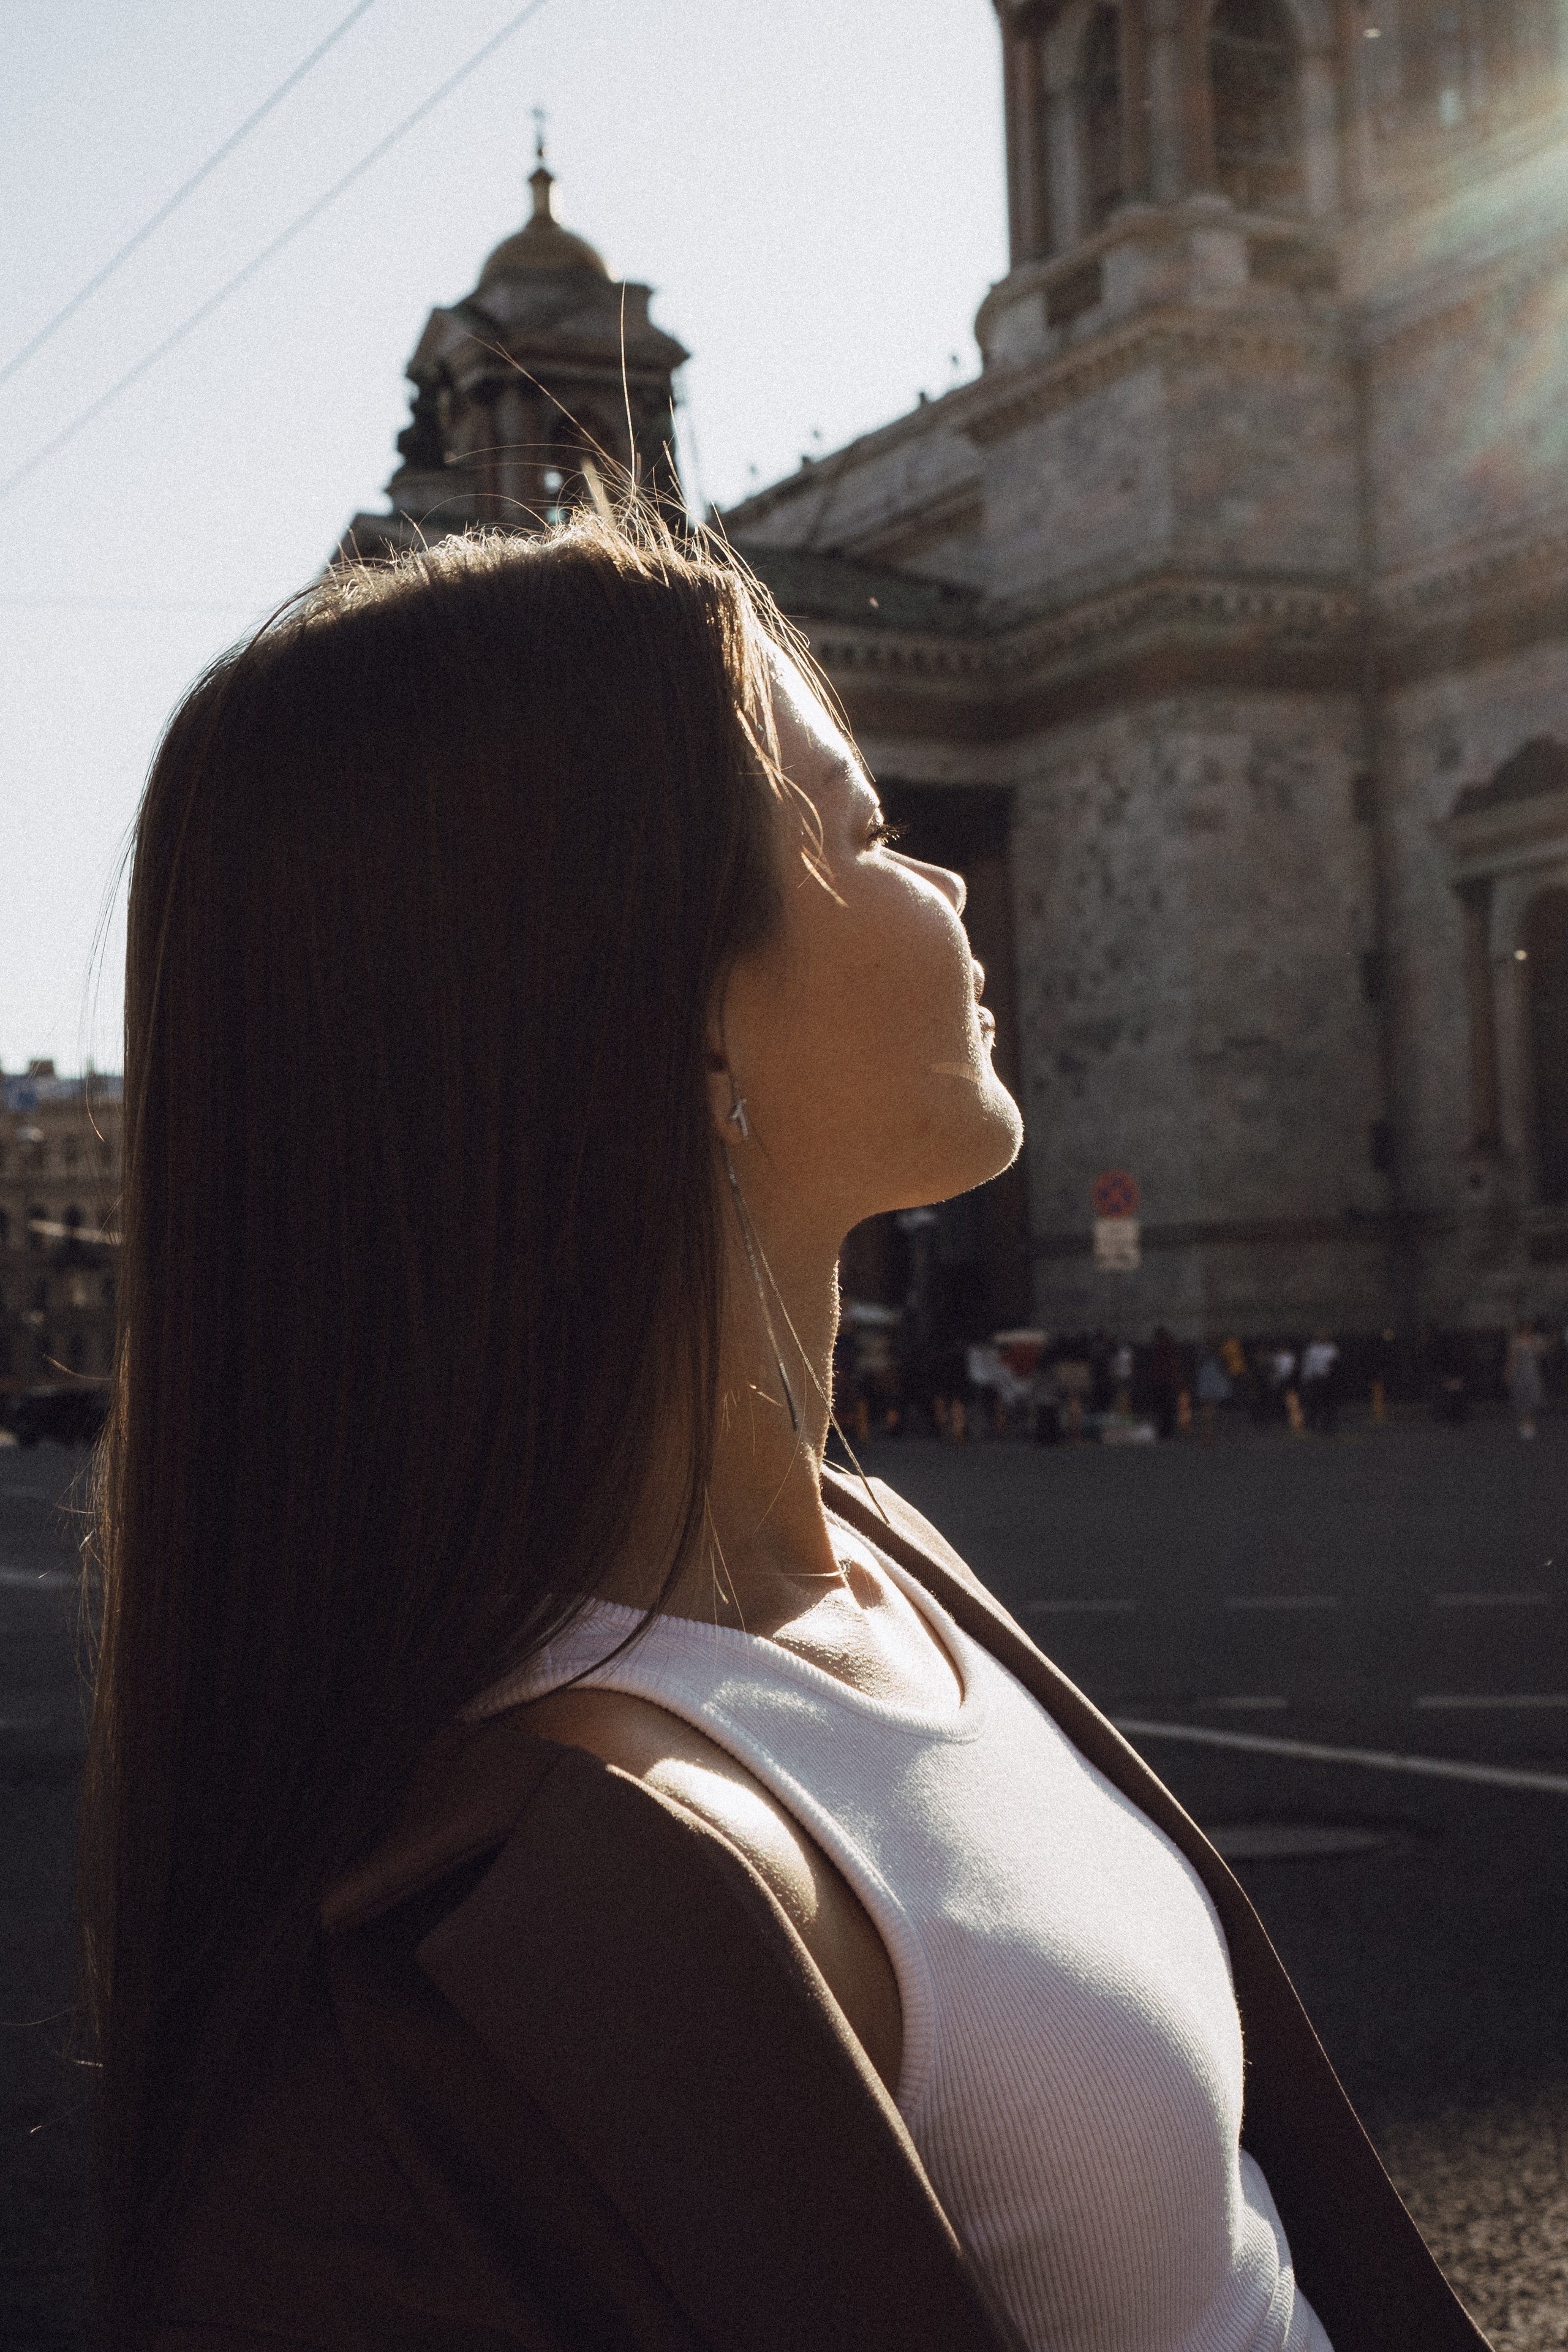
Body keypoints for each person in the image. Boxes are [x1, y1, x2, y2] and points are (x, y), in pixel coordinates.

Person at [80, 516, 1488, 2352]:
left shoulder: (872, 1555)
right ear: (670, 1010)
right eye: (860, 833)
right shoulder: (567, 1882)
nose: (955, 888)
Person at [1508, 1317, 1547, 1440]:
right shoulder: (1516, 1340)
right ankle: (1523, 1424)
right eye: (1525, 1326)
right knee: (1521, 1396)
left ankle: (1531, 1423)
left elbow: (1542, 1352)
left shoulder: (1535, 1339)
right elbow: (1512, 1358)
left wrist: (1537, 1345)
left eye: (1529, 1326)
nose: (1528, 1328)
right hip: (1521, 1372)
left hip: (1532, 1371)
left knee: (1533, 1396)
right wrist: (1509, 1373)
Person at [1299, 1334, 1341, 1436]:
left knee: (1328, 1402)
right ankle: (1312, 1423)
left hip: (1328, 1379)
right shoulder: (1312, 1348)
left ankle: (1328, 1424)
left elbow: (1335, 1361)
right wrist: (1306, 1377)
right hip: (1315, 1379)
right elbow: (1307, 1363)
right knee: (1314, 1402)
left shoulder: (1332, 1348)